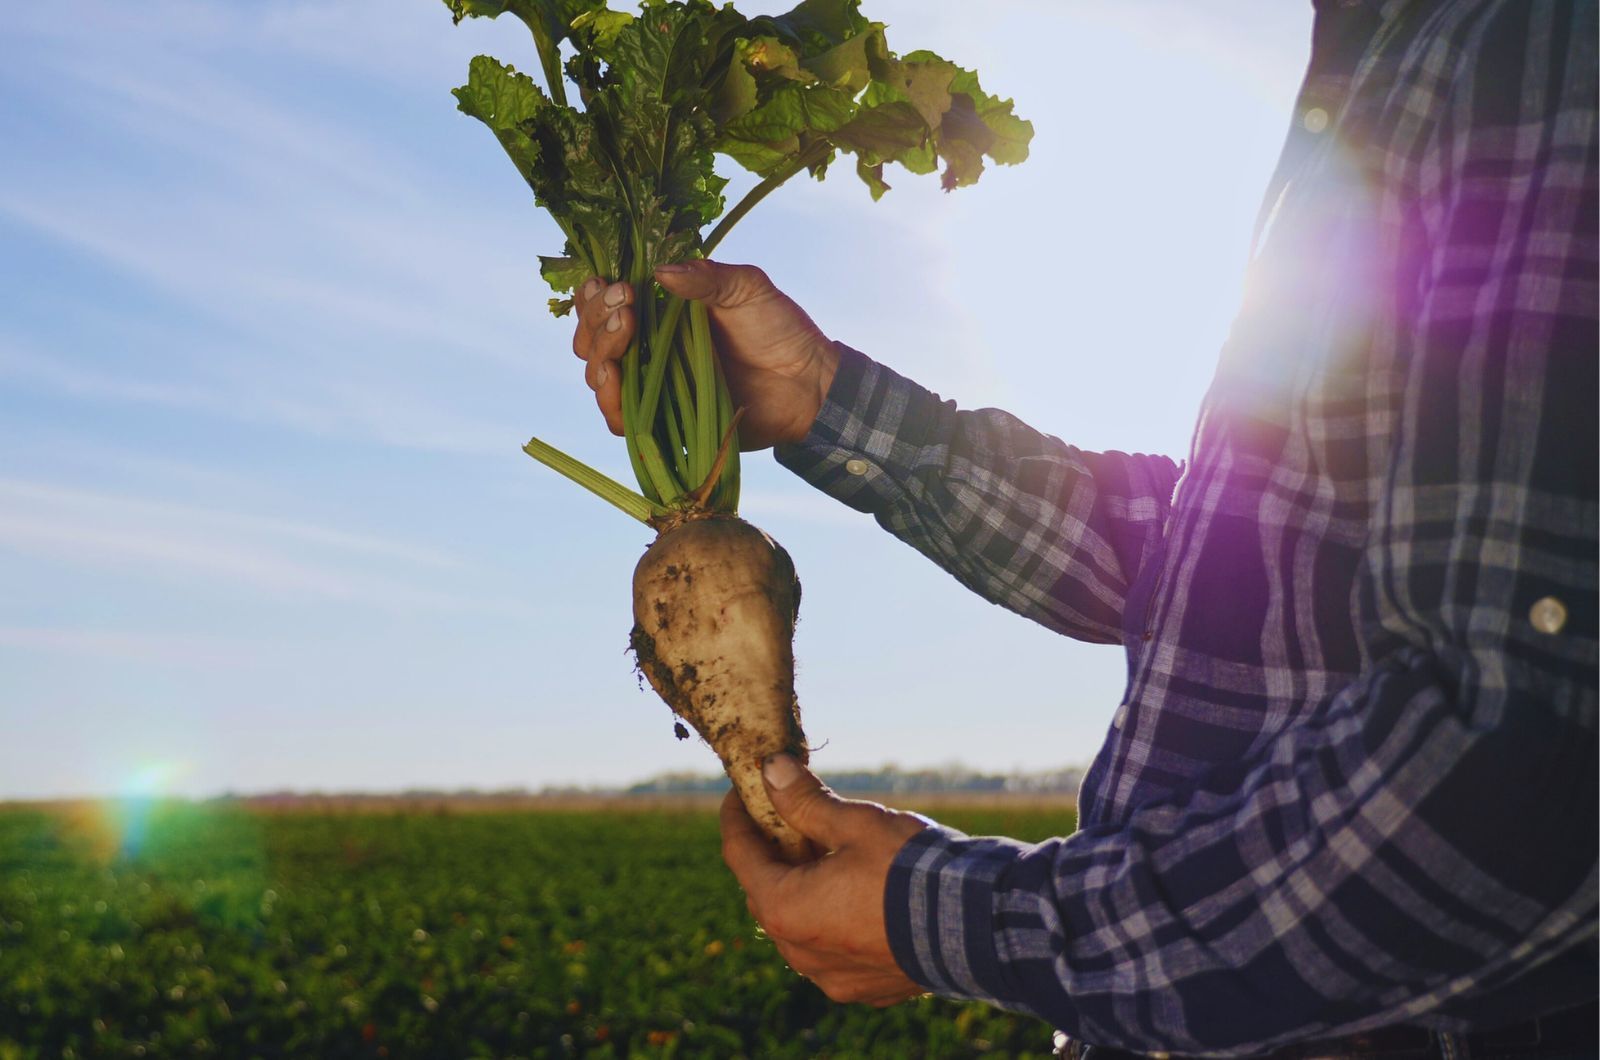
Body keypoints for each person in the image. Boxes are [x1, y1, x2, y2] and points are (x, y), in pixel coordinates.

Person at [571, 1, 1597, 1056]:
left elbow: (1519, 775)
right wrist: (821, 397)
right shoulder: (1395, 51)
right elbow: (1243, 560)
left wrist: (959, 923)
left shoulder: (1532, 47)